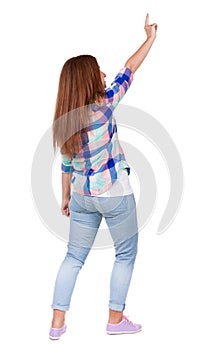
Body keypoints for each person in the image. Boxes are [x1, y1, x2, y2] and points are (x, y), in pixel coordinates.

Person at [49, 14, 157, 340]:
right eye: (98, 70)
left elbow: (66, 165)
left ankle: (57, 323)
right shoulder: (105, 106)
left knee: (73, 257)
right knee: (125, 254)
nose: (104, 73)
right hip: (114, 194)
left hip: (81, 196)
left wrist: (65, 197)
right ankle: (116, 318)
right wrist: (150, 39)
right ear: (87, 79)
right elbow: (129, 69)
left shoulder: (64, 121)